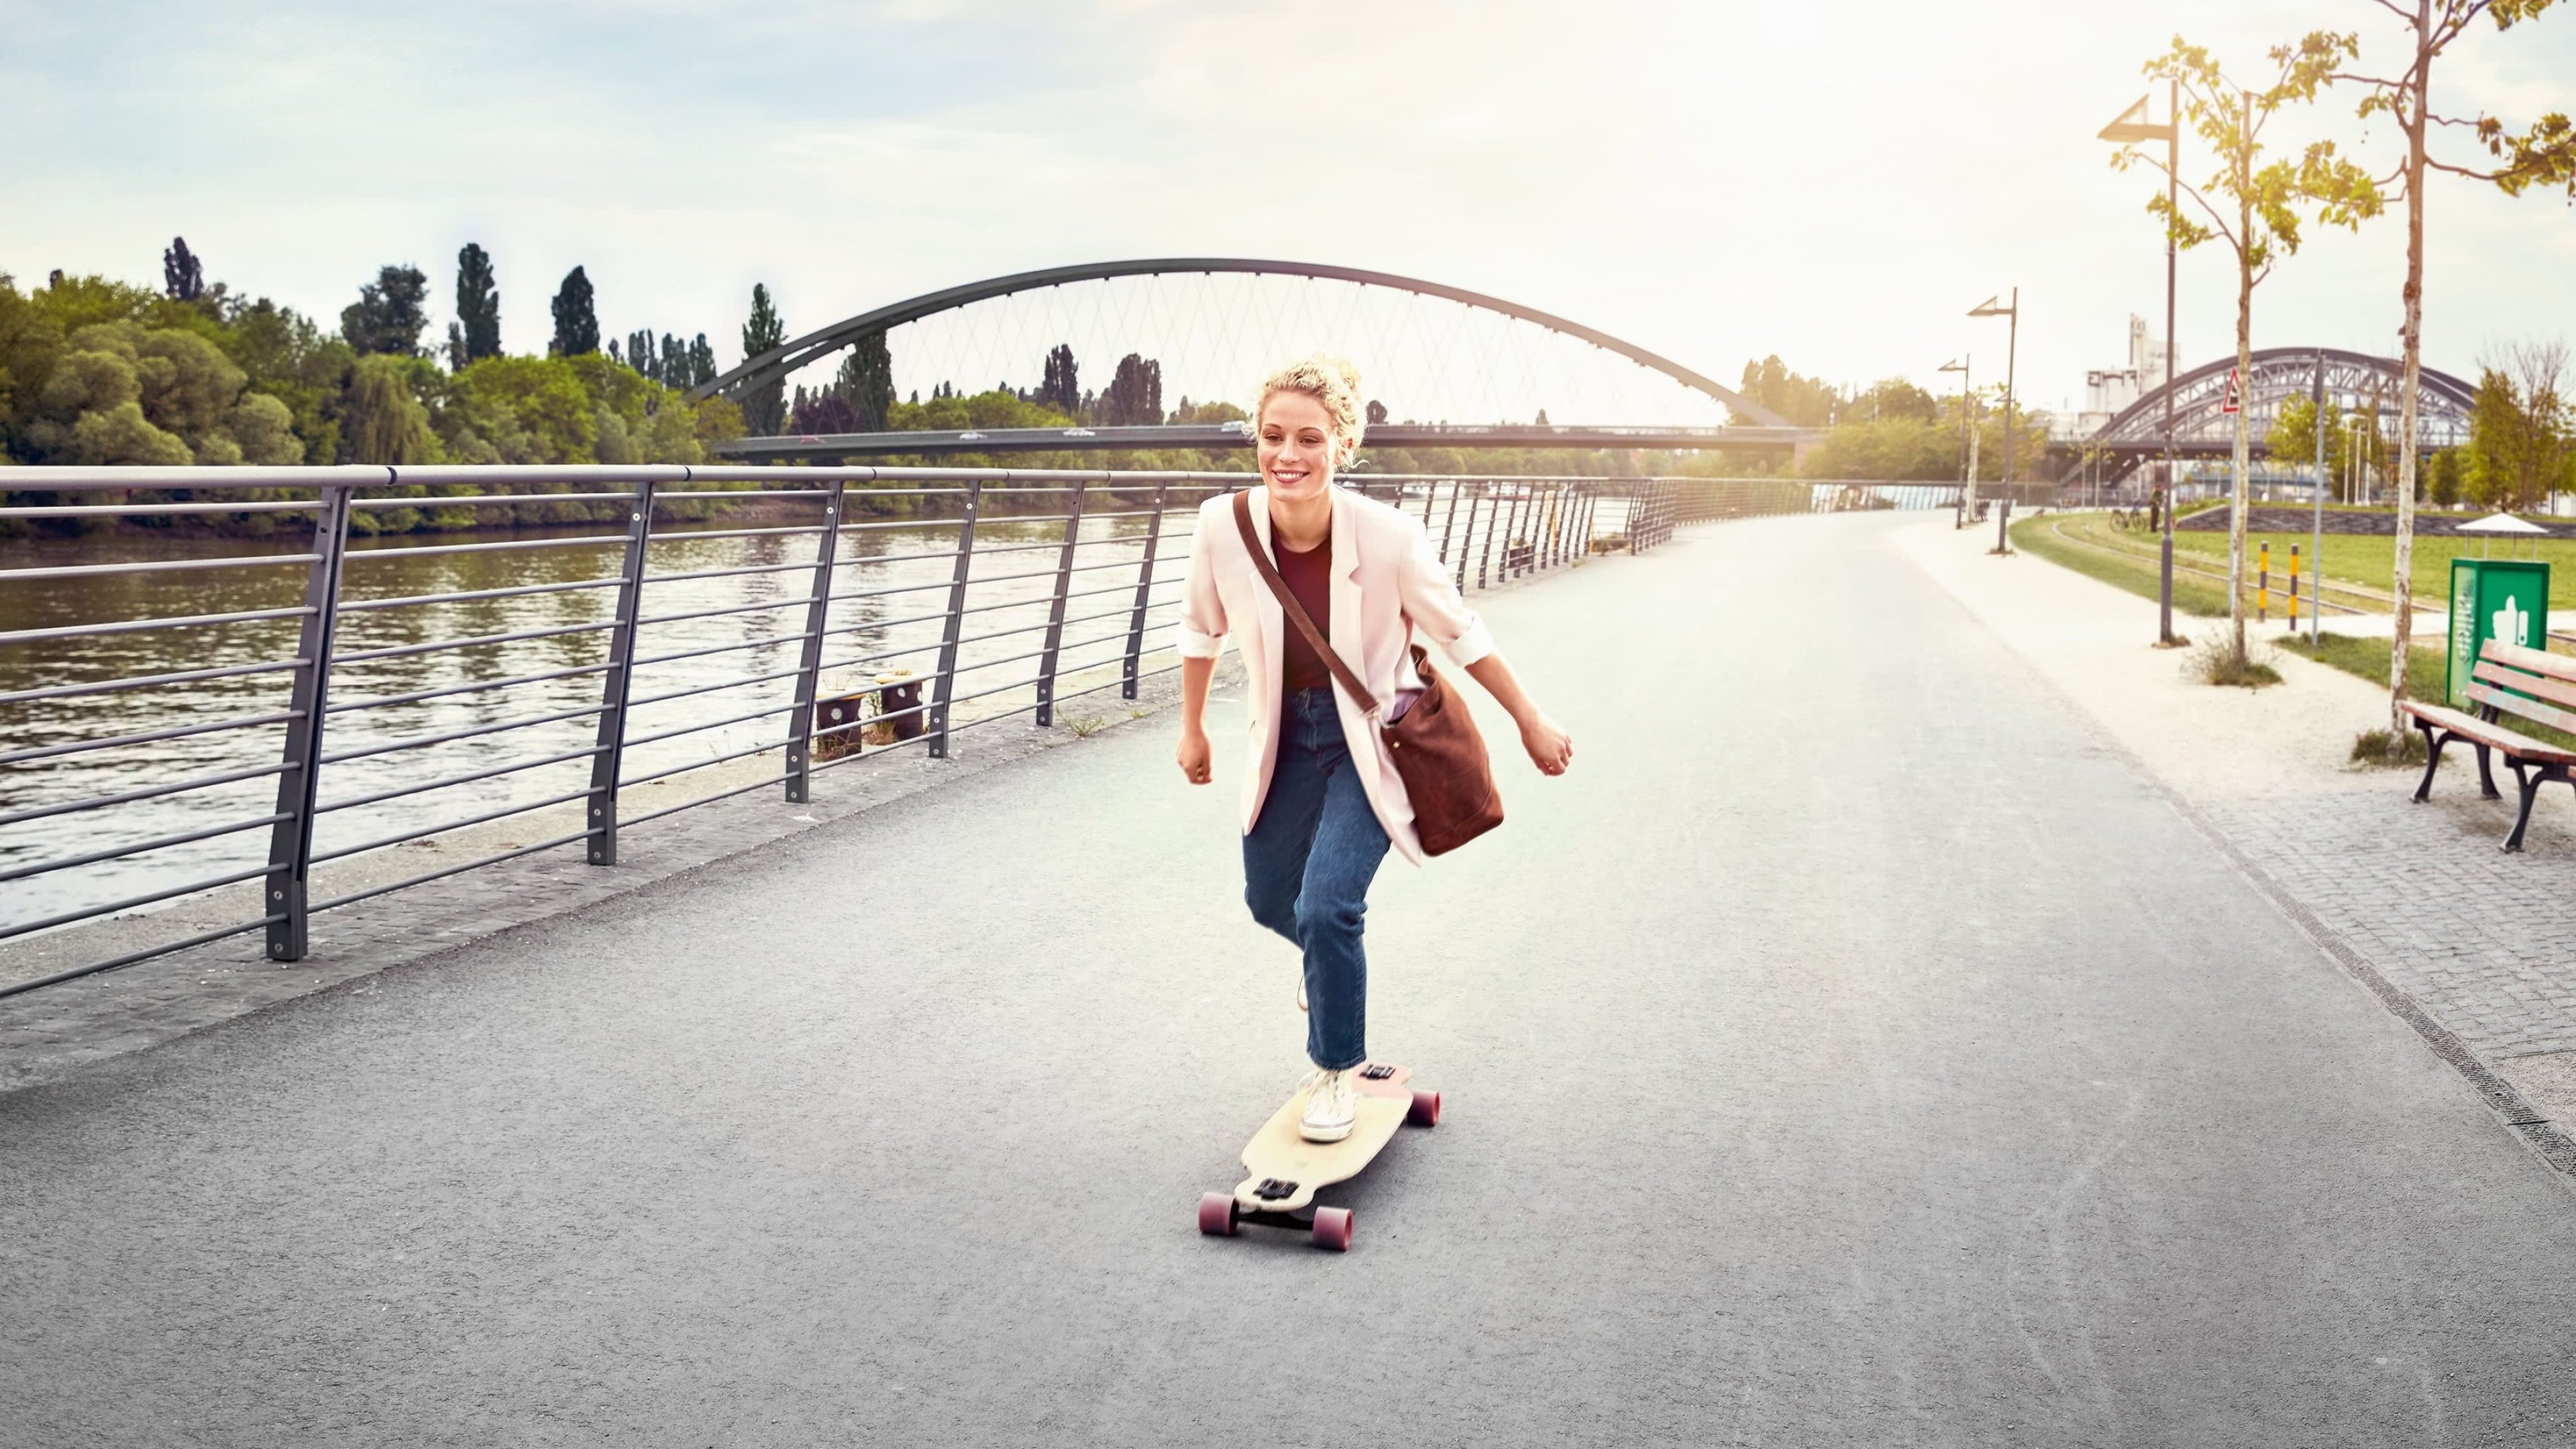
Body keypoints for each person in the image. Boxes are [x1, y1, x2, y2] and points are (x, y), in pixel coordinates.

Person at [1173, 356, 1573, 1143]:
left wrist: (1529, 719)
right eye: (1273, 436)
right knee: (1269, 901)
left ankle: (1335, 1074)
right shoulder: (1223, 525)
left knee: (1328, 907)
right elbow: (1200, 628)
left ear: (1343, 446)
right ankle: (1326, 970)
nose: (1288, 455)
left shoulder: (1391, 536)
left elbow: (1462, 634)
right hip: (1283, 736)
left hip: (1371, 739)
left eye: (1310, 440)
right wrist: (1190, 727)